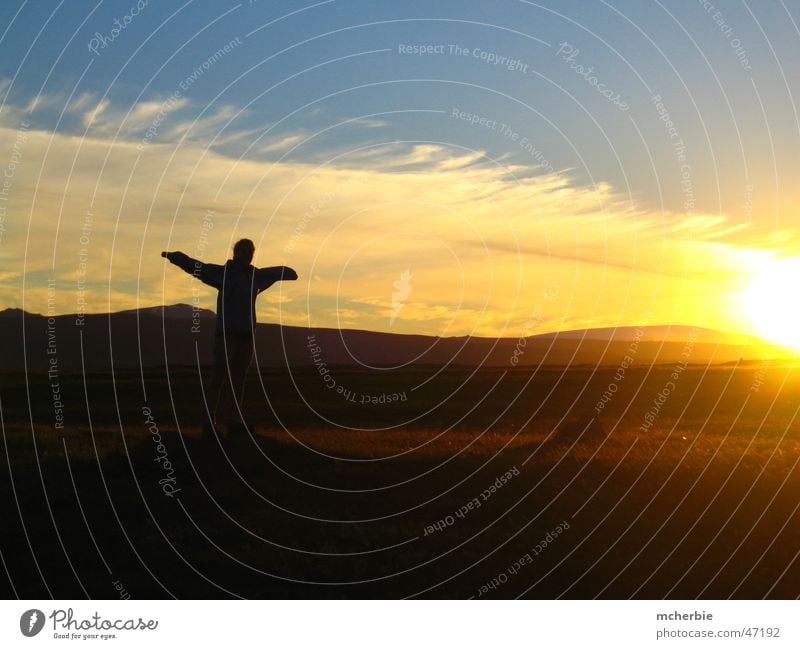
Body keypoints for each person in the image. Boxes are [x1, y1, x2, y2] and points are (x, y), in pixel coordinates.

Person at [161, 238, 298, 438]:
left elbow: (280, 273)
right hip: (227, 335)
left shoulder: (255, 277)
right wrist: (176, 258)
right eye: (243, 251)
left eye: (250, 251)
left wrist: (288, 273)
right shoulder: (223, 274)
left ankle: (233, 420)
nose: (247, 255)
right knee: (218, 378)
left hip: (246, 336)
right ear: (235, 253)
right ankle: (209, 422)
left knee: (238, 380)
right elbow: (196, 267)